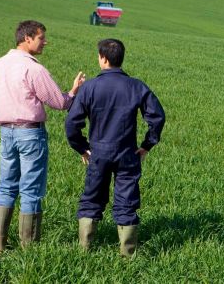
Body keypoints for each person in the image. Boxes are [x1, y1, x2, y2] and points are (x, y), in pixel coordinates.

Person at [0, 20, 85, 254]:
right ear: (27, 38)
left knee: (6, 186)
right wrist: (73, 92)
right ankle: (28, 249)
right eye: (41, 38)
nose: (45, 42)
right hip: (30, 133)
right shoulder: (33, 69)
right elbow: (58, 102)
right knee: (31, 189)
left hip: (5, 132)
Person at [65, 38, 165, 257]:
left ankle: (84, 250)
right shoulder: (136, 86)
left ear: (103, 58)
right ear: (121, 58)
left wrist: (82, 147)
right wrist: (147, 145)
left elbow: (72, 123)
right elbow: (157, 118)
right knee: (126, 200)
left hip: (98, 152)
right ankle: (128, 254)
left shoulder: (89, 87)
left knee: (91, 198)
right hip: (127, 152)